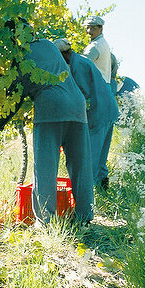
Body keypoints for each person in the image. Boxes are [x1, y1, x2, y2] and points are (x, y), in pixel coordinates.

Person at [0, 28, 94, 225]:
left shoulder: (22, 58)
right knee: (81, 165)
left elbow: (15, 96)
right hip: (77, 105)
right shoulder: (48, 45)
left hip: (50, 109)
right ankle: (85, 217)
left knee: (45, 167)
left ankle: (46, 222)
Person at [55, 38, 118, 197]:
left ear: (63, 54)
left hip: (99, 113)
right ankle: (104, 196)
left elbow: (82, 94)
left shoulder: (78, 66)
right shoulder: (80, 60)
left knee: (89, 159)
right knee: (100, 158)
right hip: (108, 109)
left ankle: (84, 205)